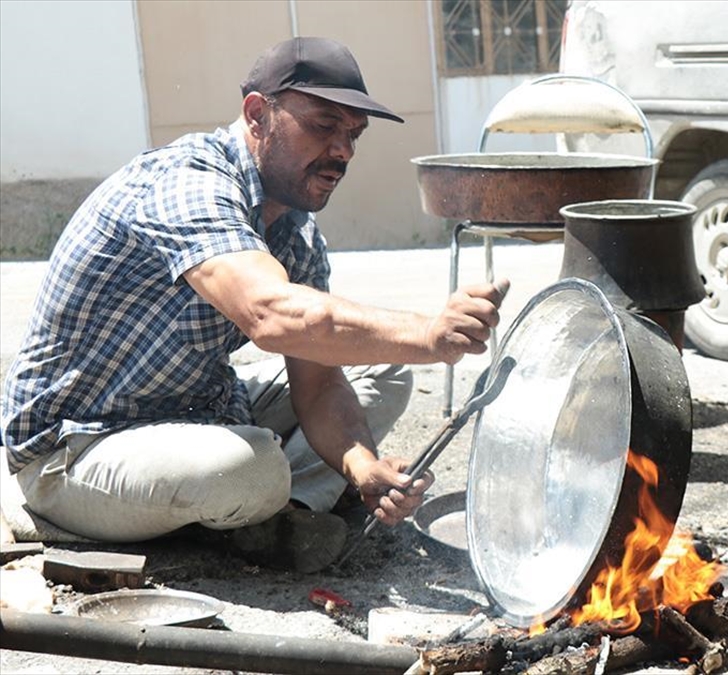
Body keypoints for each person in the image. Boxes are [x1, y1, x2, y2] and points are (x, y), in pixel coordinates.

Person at [0, 37, 508, 573]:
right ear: (257, 114)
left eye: (353, 134)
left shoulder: (296, 230)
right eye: (323, 125)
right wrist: (429, 334)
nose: (343, 151)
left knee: (385, 368)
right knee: (250, 468)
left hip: (192, 411)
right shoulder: (187, 182)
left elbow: (319, 382)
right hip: (76, 449)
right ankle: (258, 504)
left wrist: (363, 467)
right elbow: (270, 315)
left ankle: (278, 513)